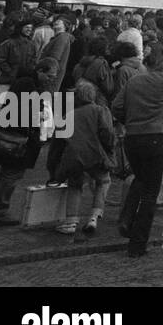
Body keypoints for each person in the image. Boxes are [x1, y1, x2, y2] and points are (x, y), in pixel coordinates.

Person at [113, 52, 163, 257]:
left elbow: (116, 106)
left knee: (140, 179)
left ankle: (126, 218)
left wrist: (129, 121)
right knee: (151, 192)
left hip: (132, 138)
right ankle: (138, 243)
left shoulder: (135, 81)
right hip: (153, 138)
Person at [0, 71, 52, 226]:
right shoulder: (29, 92)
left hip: (9, 142)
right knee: (11, 175)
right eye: (49, 74)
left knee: (5, 174)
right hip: (18, 146)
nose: (51, 78)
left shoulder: (19, 86)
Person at [55, 79, 115, 236]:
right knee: (103, 182)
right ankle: (93, 218)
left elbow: (60, 138)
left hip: (74, 156)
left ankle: (71, 222)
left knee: (75, 186)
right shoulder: (100, 110)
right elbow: (107, 133)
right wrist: (109, 148)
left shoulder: (69, 114)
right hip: (96, 154)